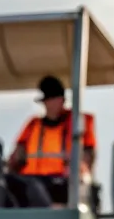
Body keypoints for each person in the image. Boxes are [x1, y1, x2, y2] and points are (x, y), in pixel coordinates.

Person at [6, 75, 96, 204]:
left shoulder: (78, 123)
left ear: (61, 100)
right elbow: (17, 157)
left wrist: (78, 172)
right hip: (32, 182)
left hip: (65, 185)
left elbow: (88, 156)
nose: (49, 104)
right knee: (8, 186)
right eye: (47, 100)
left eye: (53, 99)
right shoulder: (33, 125)